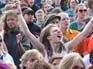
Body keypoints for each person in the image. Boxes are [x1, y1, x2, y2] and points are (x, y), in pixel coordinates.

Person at [16, 1, 93, 61]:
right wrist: (19, 14)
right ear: (49, 37)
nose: (59, 32)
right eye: (55, 31)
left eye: (58, 30)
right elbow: (28, 34)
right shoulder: (43, 49)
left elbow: (83, 34)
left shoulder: (67, 48)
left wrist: (92, 20)